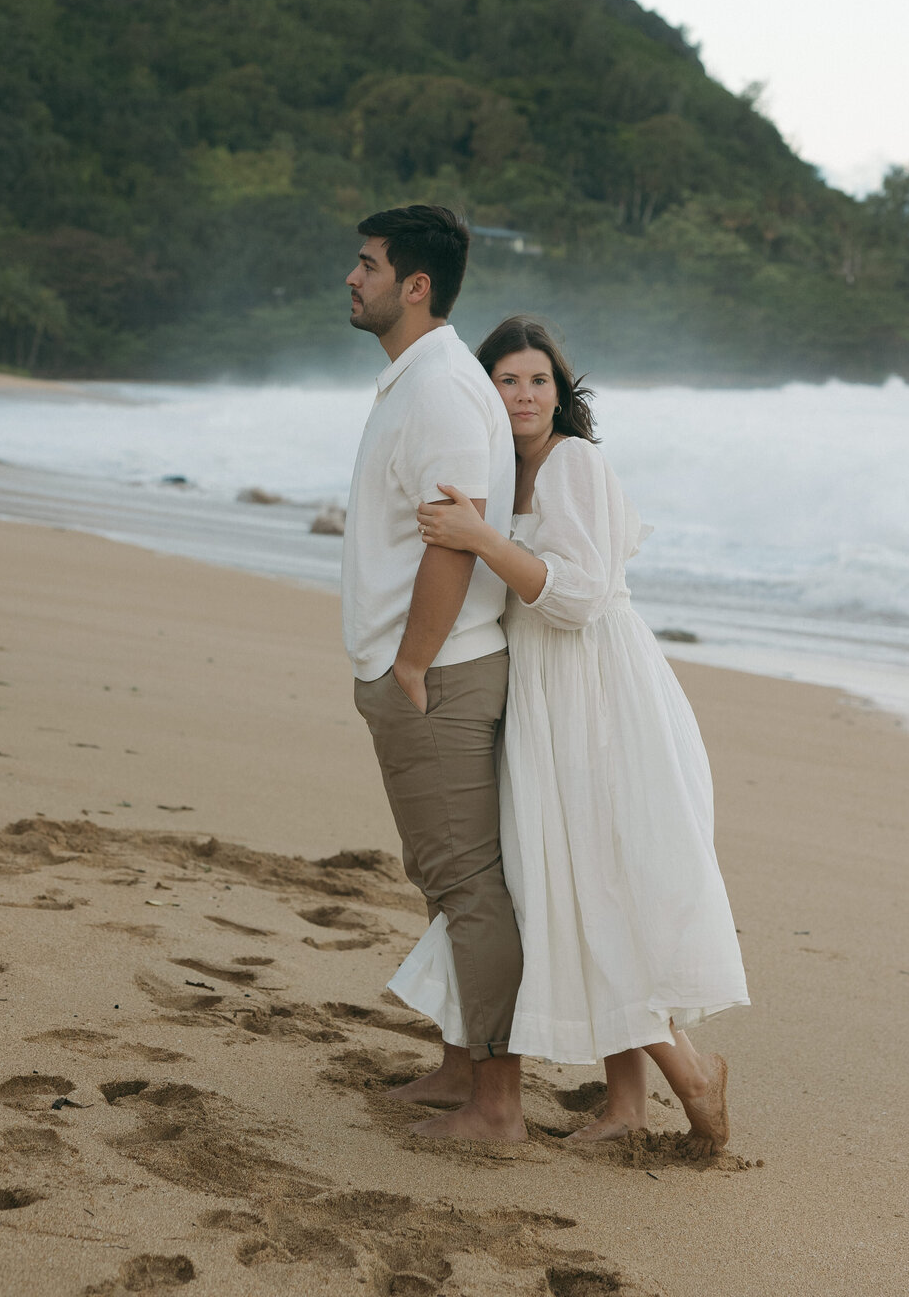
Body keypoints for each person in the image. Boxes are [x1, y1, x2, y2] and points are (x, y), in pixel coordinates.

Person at [390, 315, 750, 1155]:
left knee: (598, 881)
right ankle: (626, 1108)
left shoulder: (574, 463)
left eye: (539, 381)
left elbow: (581, 597)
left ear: (562, 393)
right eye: (508, 381)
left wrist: (479, 538)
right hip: (543, 696)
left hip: (599, 695)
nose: (524, 395)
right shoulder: (497, 472)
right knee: (575, 883)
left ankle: (690, 1076)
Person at [341, 208, 525, 1142]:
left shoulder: (444, 391)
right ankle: (460, 1072)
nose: (351, 278)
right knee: (442, 880)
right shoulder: (416, 381)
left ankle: (497, 1106)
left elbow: (455, 541)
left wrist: (411, 662)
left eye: (366, 265)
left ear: (416, 286)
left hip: (438, 676)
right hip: (417, 669)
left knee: (467, 884)